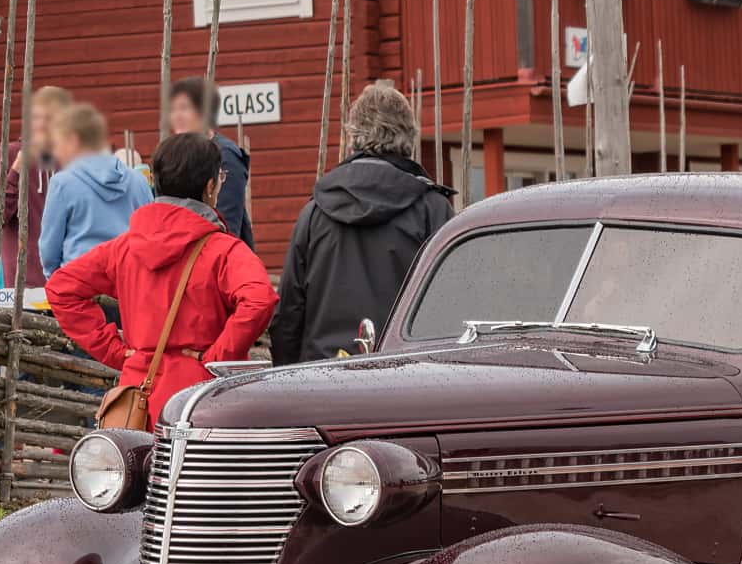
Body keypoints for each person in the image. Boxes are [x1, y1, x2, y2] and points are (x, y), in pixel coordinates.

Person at [46, 132, 277, 430]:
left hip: (138, 399)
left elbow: (62, 288)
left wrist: (115, 351)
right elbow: (260, 300)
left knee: (139, 475)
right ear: (210, 186)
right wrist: (217, 357)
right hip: (203, 400)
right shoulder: (225, 250)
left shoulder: (124, 248)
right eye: (220, 177)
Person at [270, 85, 454, 365]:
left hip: (323, 375)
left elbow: (289, 313)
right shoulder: (432, 209)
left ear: (353, 135)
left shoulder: (315, 212)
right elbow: (453, 301)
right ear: (408, 135)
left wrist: (288, 377)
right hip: (412, 375)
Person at [38, 102, 151, 277]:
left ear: (73, 140)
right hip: (129, 283)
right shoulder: (138, 180)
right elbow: (150, 235)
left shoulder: (62, 183)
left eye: (58, 143)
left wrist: (56, 280)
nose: (56, 152)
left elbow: (49, 250)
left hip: (80, 285)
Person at [0, 84, 72, 288]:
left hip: (67, 276)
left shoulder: (69, 158)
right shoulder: (7, 155)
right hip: (23, 280)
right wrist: (16, 171)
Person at [165, 76, 253, 248]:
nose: (177, 115)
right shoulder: (174, 155)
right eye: (173, 109)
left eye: (184, 108)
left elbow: (227, 224)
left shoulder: (225, 155)